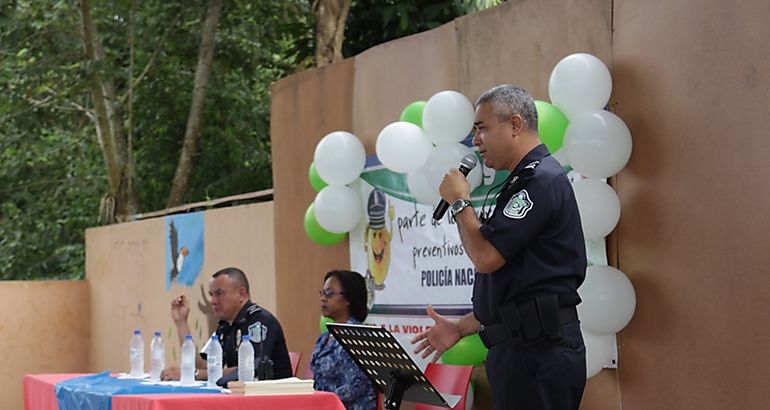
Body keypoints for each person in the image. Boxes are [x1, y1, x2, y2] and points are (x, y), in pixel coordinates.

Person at [412, 85, 587, 409]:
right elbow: (517, 286)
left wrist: (461, 202)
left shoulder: (539, 181)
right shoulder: (520, 182)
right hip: (521, 349)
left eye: (482, 129)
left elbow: (485, 257)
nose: (476, 141)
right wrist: (463, 326)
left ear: (515, 125)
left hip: (540, 354)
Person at [160, 267, 292, 384]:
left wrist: (196, 375)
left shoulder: (260, 322)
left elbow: (250, 369)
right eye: (211, 295)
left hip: (272, 400)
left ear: (241, 294)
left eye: (219, 294)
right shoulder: (226, 326)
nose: (213, 301)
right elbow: (204, 365)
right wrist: (181, 322)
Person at [310, 270, 376, 410]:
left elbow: (353, 387)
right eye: (322, 293)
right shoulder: (324, 338)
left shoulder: (359, 337)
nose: (323, 298)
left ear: (348, 299)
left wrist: (318, 401)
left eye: (329, 293)